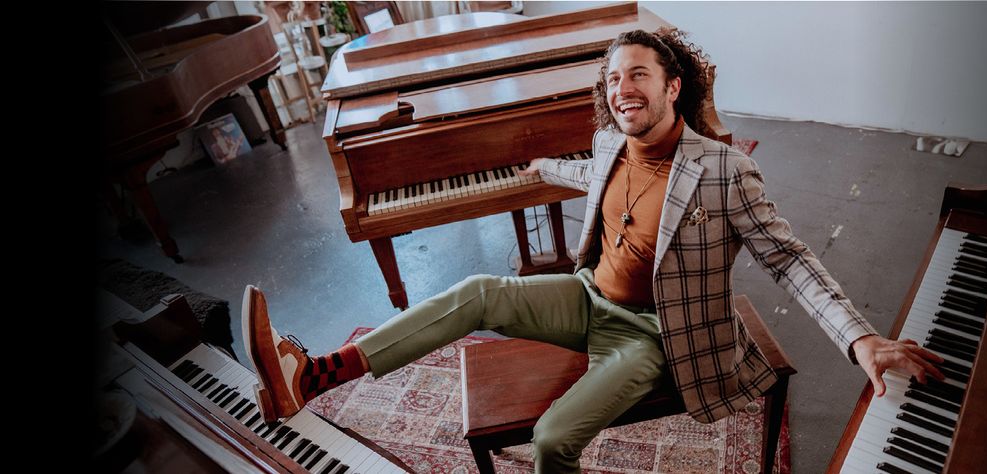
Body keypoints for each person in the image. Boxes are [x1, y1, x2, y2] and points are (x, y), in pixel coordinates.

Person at [243, 27, 945, 472]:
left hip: (653, 334)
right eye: (613, 79)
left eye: (637, 74)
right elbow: (592, 173)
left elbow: (788, 259)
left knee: (553, 441)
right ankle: (316, 374)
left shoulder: (725, 170)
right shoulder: (610, 141)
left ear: (672, 86)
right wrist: (542, 167)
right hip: (587, 298)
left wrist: (860, 340)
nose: (621, 89)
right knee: (476, 292)